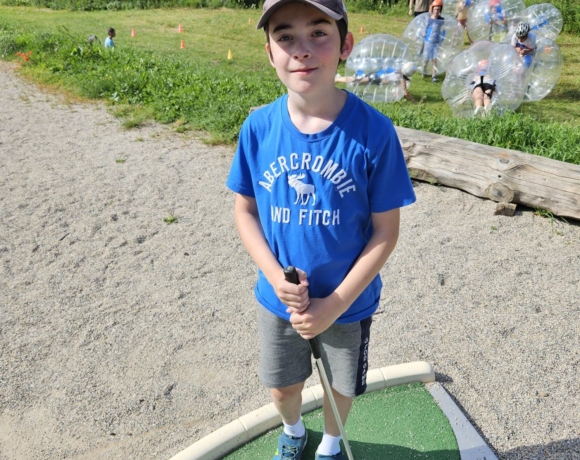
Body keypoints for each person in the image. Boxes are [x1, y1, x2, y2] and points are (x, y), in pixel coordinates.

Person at [226, 0, 417, 458]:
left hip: (346, 305)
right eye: (285, 36)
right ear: (270, 52)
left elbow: (385, 232)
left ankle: (331, 445)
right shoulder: (257, 128)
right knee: (282, 388)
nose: (302, 50)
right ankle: (293, 433)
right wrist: (277, 279)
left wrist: (334, 304)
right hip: (280, 301)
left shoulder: (374, 132)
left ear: (345, 45)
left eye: (319, 33)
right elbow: (245, 212)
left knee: (339, 388)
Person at [422, 0, 446, 83]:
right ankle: (424, 68)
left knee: (435, 60)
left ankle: (434, 76)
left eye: (438, 9)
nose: (437, 11)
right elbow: (424, 28)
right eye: (435, 9)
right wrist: (424, 33)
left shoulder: (441, 19)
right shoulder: (429, 19)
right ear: (432, 9)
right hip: (428, 41)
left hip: (436, 42)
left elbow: (443, 29)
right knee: (426, 59)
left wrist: (442, 38)